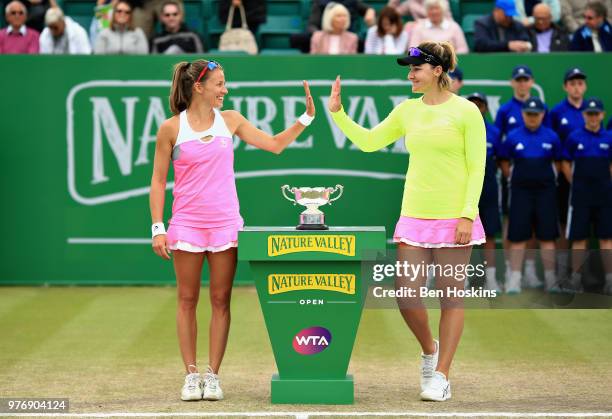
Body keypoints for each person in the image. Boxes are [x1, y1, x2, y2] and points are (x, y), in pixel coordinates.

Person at [328, 41, 486, 401]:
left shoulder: (466, 112)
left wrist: (467, 214)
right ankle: (429, 350)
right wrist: (338, 113)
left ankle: (441, 375)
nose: (410, 75)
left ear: (437, 71)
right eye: (409, 69)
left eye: (416, 69)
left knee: (451, 299)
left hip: (454, 217)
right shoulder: (407, 111)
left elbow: (477, 166)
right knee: (407, 294)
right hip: (414, 214)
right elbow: (369, 142)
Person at [149, 60, 315, 401]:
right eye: (220, 84)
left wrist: (307, 117)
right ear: (199, 87)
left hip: (226, 225)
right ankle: (191, 375)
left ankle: (213, 375)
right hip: (187, 225)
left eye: (225, 84)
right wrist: (158, 227)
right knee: (186, 299)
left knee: (221, 299)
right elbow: (158, 180)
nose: (225, 90)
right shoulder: (170, 128)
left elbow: (274, 145)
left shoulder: (231, 120)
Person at [499, 97, 562, 294]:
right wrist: (516, 178)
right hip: (520, 193)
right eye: (529, 114)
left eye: (536, 114)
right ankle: (515, 280)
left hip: (545, 192)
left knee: (547, 237)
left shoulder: (552, 137)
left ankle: (551, 280)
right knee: (518, 237)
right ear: (523, 115)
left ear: (542, 115)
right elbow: (504, 161)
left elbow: (559, 163)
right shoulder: (513, 137)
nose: (533, 117)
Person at [561, 98, 612, 294]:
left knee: (607, 239)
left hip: (604, 197)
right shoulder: (574, 137)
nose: (593, 117)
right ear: (584, 115)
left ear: (602, 115)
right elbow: (565, 162)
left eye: (596, 113)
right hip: (580, 196)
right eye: (589, 114)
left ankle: (609, 280)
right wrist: (576, 182)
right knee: (579, 239)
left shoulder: (609, 138)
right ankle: (576, 281)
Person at [550, 67, 588, 277]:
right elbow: (552, 143)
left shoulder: (592, 110)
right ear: (566, 86)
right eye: (572, 83)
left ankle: (581, 274)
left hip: (591, 177)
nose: (576, 87)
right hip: (565, 177)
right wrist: (564, 174)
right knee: (565, 223)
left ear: (585, 86)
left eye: (580, 83)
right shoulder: (556, 112)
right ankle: (563, 274)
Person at [468, 92, 503, 292]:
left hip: (488, 189)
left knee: (489, 235)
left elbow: (500, 161)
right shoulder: (459, 129)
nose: (475, 107)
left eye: (479, 105)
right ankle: (462, 280)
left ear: (485, 109)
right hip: (464, 190)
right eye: (471, 104)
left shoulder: (495, 132)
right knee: (462, 237)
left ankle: (490, 280)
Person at [290, 0, 375, 53]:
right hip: (324, 33)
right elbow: (312, 24)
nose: (342, 19)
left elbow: (366, 8)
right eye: (338, 16)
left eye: (344, 16)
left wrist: (370, 10)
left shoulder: (352, 1)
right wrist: (320, 37)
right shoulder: (320, 2)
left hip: (347, 36)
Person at [387, 0, 453, 20]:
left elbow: (432, 15)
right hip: (422, 33)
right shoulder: (411, 2)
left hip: (444, 31)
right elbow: (391, 13)